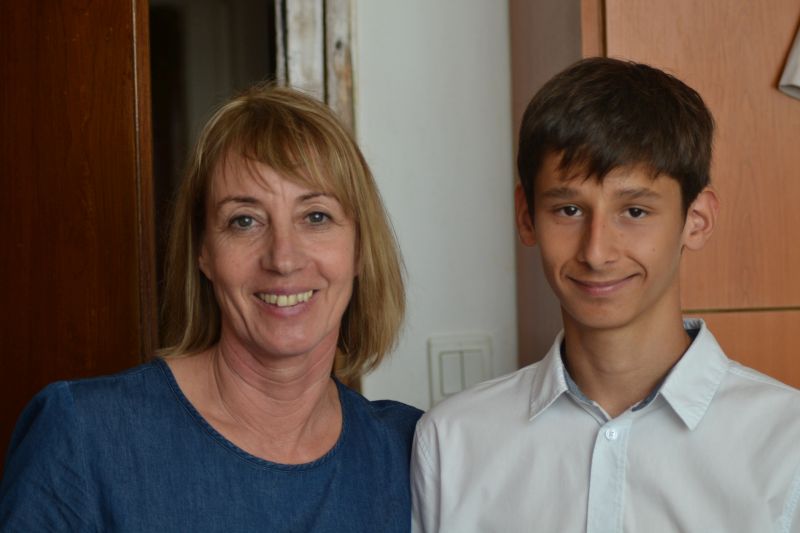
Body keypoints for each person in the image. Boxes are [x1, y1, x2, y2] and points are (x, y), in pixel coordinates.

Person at [1, 85, 422, 532]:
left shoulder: (411, 450)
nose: (283, 258)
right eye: (245, 221)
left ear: (360, 249)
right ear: (203, 251)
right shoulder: (84, 435)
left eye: (316, 217)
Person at [411, 57, 800, 532]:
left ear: (696, 220)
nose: (596, 252)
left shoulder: (788, 444)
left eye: (634, 212)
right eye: (569, 210)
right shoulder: (451, 442)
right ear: (526, 217)